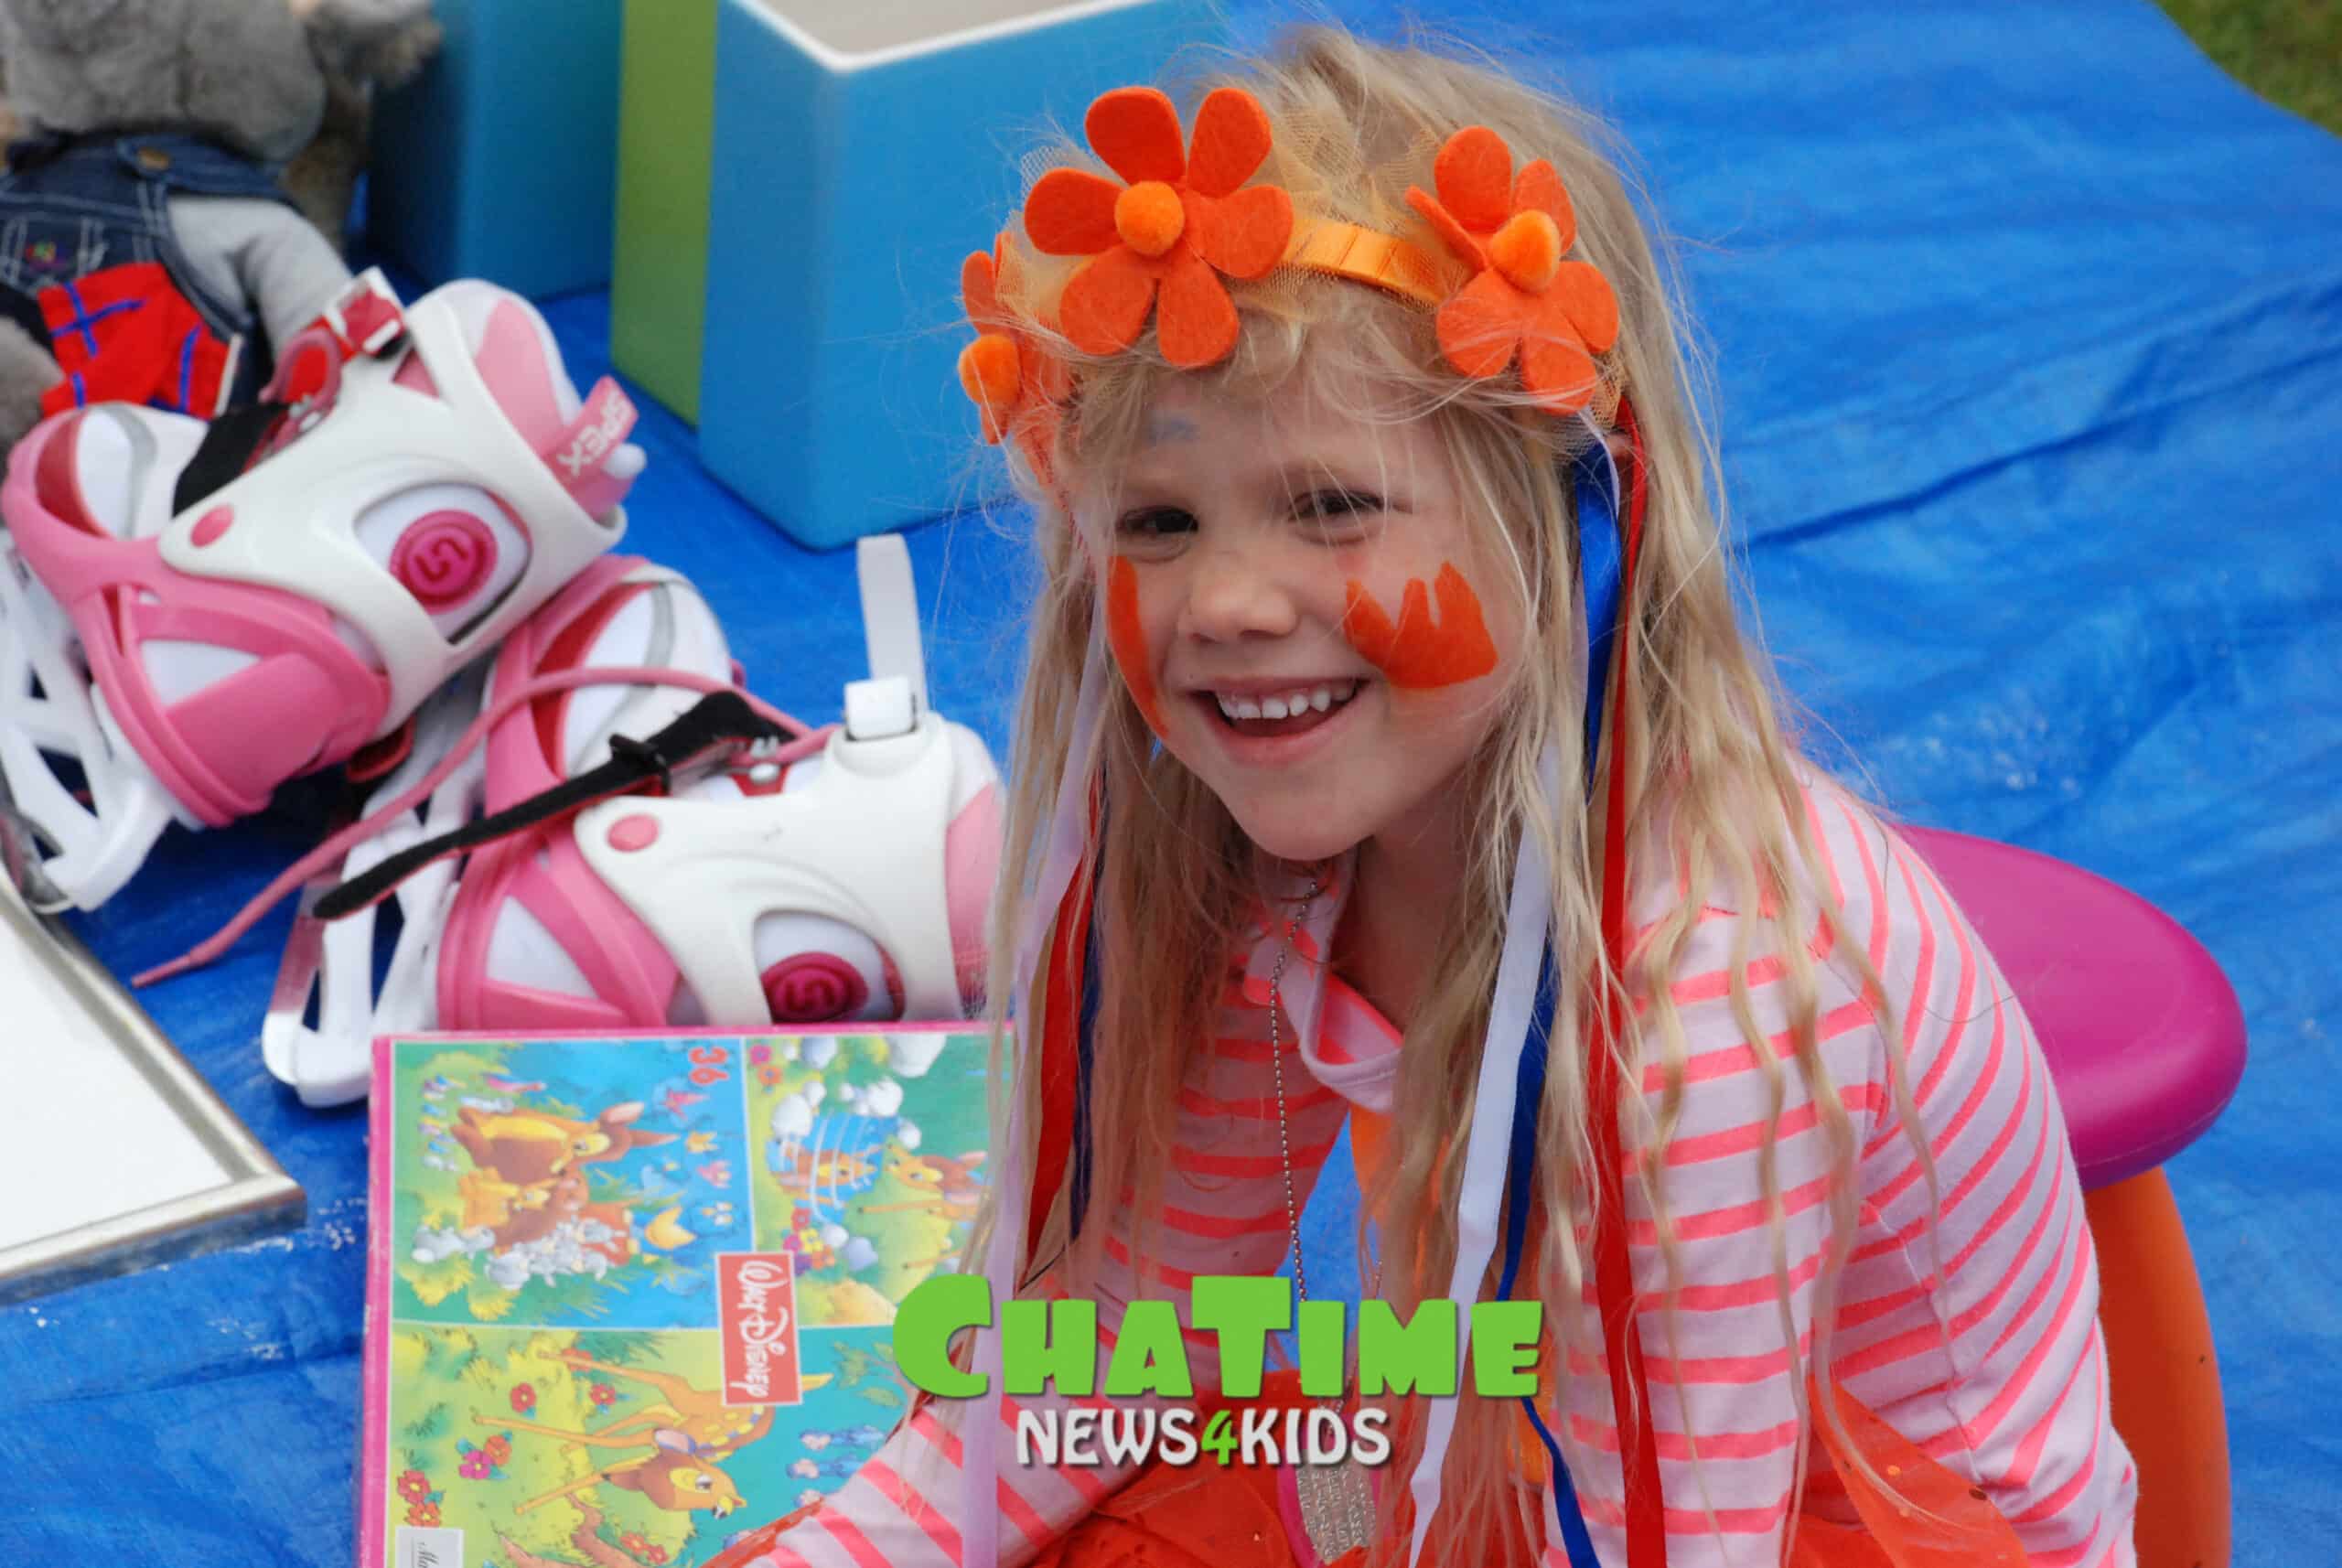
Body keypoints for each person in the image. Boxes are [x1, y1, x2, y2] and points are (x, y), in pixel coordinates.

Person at [720, 25, 2137, 1568]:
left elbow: (1674, 1533)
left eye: (1333, 505)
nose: (1229, 599)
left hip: (1848, 1522)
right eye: (1161, 521)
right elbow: (1122, 1339)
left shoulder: (1699, 1014)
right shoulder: (1267, 859)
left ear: (1564, 524)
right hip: (1523, 1430)